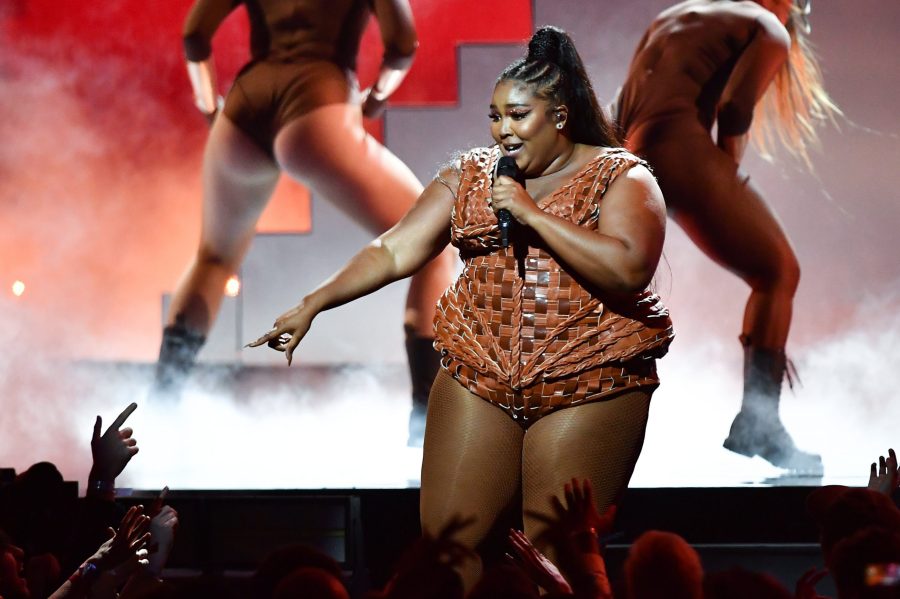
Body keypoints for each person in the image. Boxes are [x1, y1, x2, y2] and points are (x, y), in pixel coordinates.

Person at [251, 25, 674, 591]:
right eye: (495, 116)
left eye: (518, 115)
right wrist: (314, 303)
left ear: (560, 117)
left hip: (589, 376)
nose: (503, 130)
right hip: (481, 372)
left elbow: (627, 268)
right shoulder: (472, 173)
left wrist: (531, 214)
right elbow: (395, 247)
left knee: (550, 555)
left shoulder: (622, 176)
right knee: (450, 548)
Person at [157, 0, 454, 444]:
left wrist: (207, 106)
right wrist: (375, 99)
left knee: (214, 259)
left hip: (243, 109)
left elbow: (194, 36)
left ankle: (161, 403)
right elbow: (403, 45)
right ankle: (424, 422)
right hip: (317, 105)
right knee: (435, 242)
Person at [614, 0, 838, 473]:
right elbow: (736, 106)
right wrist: (725, 172)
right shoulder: (766, 28)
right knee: (779, 271)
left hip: (634, 153)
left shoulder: (678, 14)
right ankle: (760, 420)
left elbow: (624, 103)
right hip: (682, 153)